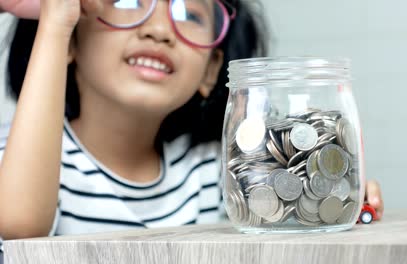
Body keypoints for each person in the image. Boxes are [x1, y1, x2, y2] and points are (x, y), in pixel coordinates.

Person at [0, 0, 384, 244]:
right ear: (71, 39)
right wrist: (54, 22)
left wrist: (323, 196)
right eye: (129, 1)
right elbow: (18, 226)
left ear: (211, 70)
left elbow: (281, 226)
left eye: (189, 13)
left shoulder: (211, 167)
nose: (160, 30)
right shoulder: (13, 162)